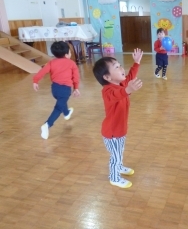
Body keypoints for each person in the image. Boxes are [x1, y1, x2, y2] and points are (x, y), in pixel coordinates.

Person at [92, 48, 143, 189]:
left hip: (120, 130)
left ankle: (119, 167)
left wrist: (136, 63)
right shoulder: (108, 91)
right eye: (116, 67)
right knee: (115, 156)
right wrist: (128, 90)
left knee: (119, 152)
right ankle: (114, 178)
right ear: (107, 78)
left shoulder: (120, 84)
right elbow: (118, 94)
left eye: (120, 64)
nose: (121, 68)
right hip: (112, 132)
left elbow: (129, 78)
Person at [33, 41, 80, 140]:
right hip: (65, 90)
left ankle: (66, 113)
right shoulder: (71, 63)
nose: (70, 54)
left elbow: (42, 71)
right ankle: (47, 125)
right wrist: (76, 88)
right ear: (67, 54)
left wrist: (35, 81)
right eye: (70, 52)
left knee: (61, 102)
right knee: (58, 107)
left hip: (54, 89)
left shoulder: (51, 62)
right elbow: (76, 77)